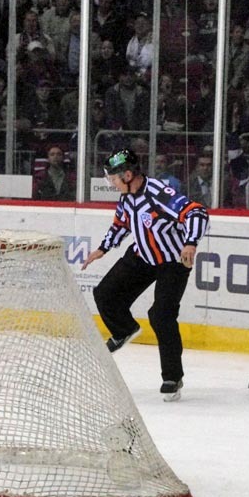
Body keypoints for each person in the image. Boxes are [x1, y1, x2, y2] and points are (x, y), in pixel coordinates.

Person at [81, 149, 210, 402]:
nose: (111, 183)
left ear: (128, 175)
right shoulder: (127, 196)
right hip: (141, 256)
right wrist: (102, 249)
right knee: (104, 294)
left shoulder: (159, 193)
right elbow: (120, 224)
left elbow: (197, 213)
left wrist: (191, 243)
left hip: (173, 262)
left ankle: (173, 377)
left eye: (114, 179)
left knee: (161, 315)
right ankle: (124, 330)